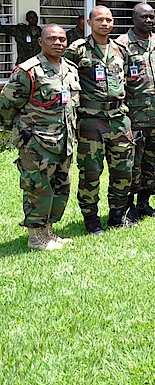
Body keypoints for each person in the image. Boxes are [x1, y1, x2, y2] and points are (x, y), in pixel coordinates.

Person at [0, 24, 79, 250]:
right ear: (40, 42)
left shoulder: (70, 69)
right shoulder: (28, 71)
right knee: (37, 188)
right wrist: (15, 133)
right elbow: (6, 105)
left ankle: (48, 232)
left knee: (60, 187)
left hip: (64, 141)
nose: (58, 43)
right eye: (51, 38)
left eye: (62, 39)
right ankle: (36, 237)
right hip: (36, 144)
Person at [64, 6, 135, 232]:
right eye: (100, 19)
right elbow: (65, 78)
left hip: (119, 119)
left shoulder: (120, 49)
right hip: (91, 121)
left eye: (109, 20)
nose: (105, 23)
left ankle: (117, 215)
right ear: (89, 22)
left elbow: (128, 82)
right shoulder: (77, 50)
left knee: (123, 169)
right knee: (91, 171)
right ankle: (91, 219)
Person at [117, 3, 155, 219]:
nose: (148, 20)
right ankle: (129, 206)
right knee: (133, 165)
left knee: (153, 163)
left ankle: (144, 202)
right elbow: (118, 83)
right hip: (135, 118)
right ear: (133, 19)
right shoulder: (122, 45)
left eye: (151, 17)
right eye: (144, 17)